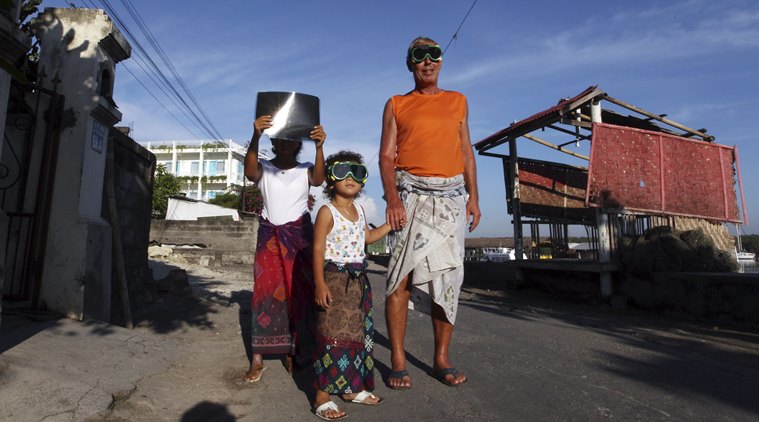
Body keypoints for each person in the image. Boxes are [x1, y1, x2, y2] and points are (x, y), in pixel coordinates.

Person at [378, 36, 481, 389]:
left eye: (433, 55)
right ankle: (397, 360)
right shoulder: (396, 104)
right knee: (399, 276)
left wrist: (474, 197)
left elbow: (467, 152)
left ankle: (441, 359)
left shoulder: (458, 101)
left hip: (451, 199)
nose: (427, 61)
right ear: (410, 64)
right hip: (410, 196)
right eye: (419, 56)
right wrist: (392, 199)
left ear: (441, 61)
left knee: (447, 279)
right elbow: (387, 156)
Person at [242, 114, 326, 382]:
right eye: (281, 138)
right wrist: (256, 135)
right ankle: (258, 357)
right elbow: (248, 171)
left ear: (298, 143)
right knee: (264, 293)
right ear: (274, 141)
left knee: (298, 294)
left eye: (292, 138)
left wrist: (320, 146)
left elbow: (319, 180)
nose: (287, 143)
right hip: (268, 236)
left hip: (299, 237)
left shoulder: (306, 168)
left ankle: (294, 352)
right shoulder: (264, 167)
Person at [311, 151, 391, 420]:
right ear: (330, 180)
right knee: (330, 335)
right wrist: (320, 283)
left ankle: (350, 388)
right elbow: (318, 248)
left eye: (357, 172)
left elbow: (366, 237)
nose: (350, 177)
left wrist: (390, 224)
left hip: (358, 283)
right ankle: (322, 394)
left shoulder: (359, 210)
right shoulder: (326, 211)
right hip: (334, 279)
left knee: (356, 336)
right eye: (342, 171)